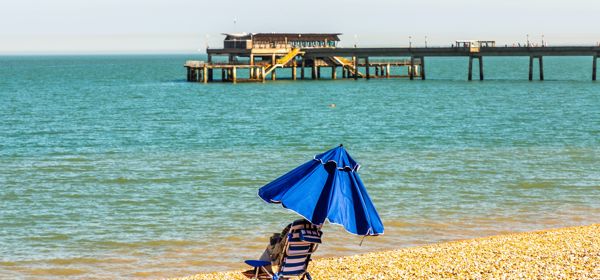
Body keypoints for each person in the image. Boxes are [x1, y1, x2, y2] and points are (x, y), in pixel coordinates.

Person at [242, 219, 312, 278]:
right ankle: (258, 268)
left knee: (273, 245)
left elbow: (276, 255)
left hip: (278, 268)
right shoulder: (311, 233)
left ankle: (258, 269)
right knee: (275, 244)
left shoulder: (290, 229)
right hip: (299, 267)